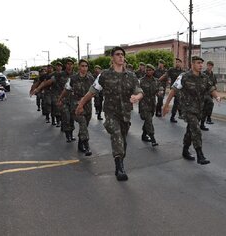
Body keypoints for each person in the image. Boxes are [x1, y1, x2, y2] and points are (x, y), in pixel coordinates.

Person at [75, 46, 143, 181]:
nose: (120, 57)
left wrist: (137, 97)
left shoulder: (131, 75)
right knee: (116, 135)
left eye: (122, 55)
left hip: (125, 114)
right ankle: (119, 168)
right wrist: (81, 104)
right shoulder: (104, 75)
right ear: (112, 58)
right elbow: (92, 91)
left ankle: (120, 160)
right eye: (117, 54)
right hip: (111, 113)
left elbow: (139, 90)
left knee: (122, 141)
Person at [163, 56, 221, 165]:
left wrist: (217, 97)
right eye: (198, 63)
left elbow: (211, 88)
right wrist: (166, 105)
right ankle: (200, 154)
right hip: (187, 108)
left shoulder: (204, 77)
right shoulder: (184, 76)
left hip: (199, 108)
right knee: (196, 129)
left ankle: (185, 150)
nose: (200, 65)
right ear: (192, 64)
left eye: (201, 63)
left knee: (191, 130)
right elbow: (173, 90)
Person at [58, 59, 94, 156]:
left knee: (85, 125)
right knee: (82, 122)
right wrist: (60, 99)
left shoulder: (91, 79)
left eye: (86, 66)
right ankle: (86, 145)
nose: (84, 68)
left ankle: (80, 144)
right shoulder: (73, 78)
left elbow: (94, 92)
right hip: (76, 105)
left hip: (88, 106)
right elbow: (66, 89)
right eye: (82, 66)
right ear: (79, 67)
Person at [139, 64, 164, 146]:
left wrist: (160, 92)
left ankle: (143, 135)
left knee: (148, 120)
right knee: (149, 120)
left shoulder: (156, 81)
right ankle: (152, 138)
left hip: (152, 104)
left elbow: (159, 88)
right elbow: (137, 90)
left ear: (153, 71)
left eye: (150, 70)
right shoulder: (141, 81)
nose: (148, 71)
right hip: (144, 103)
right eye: (147, 70)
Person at [159, 58, 184, 122]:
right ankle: (170, 113)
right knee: (174, 102)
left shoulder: (183, 72)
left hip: (180, 90)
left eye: (178, 62)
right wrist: (158, 80)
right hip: (173, 89)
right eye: (176, 62)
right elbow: (165, 75)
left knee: (177, 103)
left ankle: (173, 116)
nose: (177, 63)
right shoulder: (171, 70)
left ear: (181, 63)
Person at [202, 61, 217, 127]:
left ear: (212, 66)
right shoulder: (203, 74)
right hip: (204, 94)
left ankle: (208, 118)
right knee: (204, 108)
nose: (209, 67)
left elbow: (215, 84)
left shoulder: (213, 75)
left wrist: (215, 89)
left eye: (210, 65)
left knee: (209, 107)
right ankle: (204, 121)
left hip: (210, 94)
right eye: (208, 65)